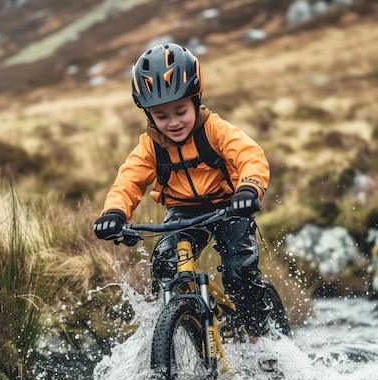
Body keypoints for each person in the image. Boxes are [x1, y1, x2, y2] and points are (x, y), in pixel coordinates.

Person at [94, 43, 271, 341]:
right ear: (149, 115)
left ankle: (261, 340)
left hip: (228, 205)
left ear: (196, 101)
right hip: (183, 212)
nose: (173, 122)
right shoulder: (150, 146)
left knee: (239, 271)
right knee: (163, 265)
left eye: (180, 111)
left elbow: (249, 156)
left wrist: (249, 188)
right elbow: (128, 181)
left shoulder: (215, 130)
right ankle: (171, 335)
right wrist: (114, 213)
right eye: (162, 116)